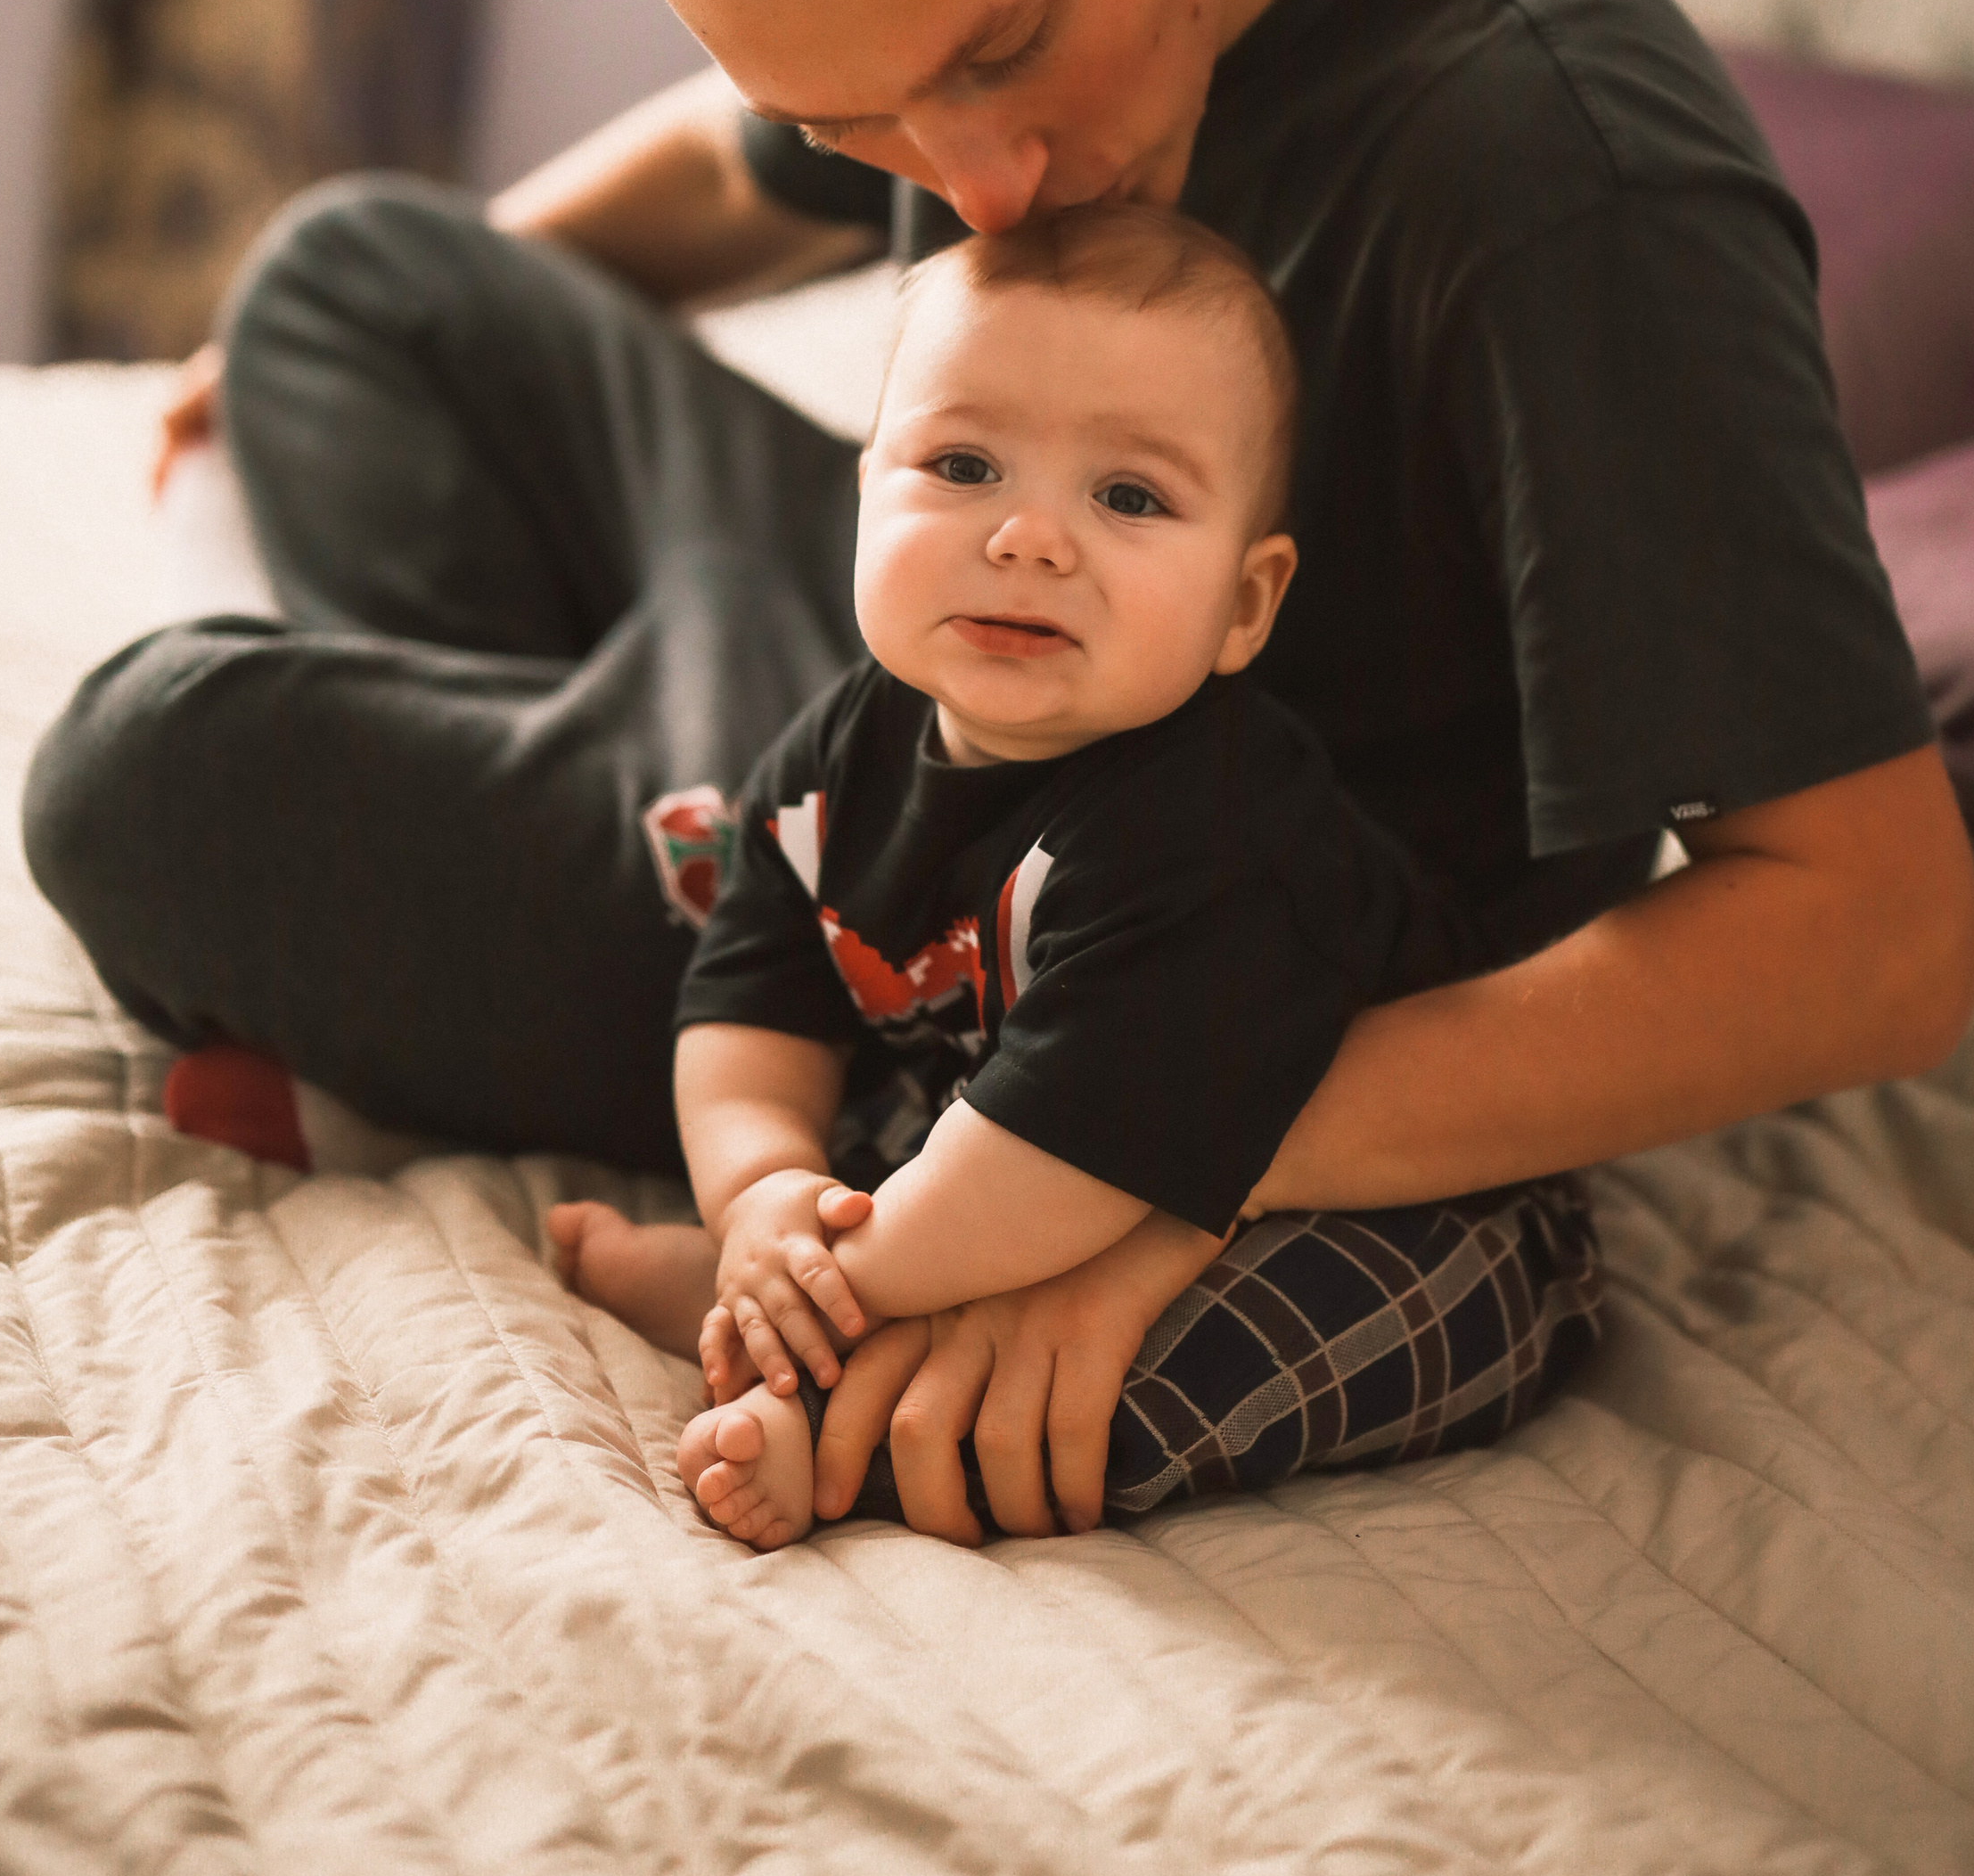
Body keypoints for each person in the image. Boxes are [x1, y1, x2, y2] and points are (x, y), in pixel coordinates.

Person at [23, 0, 1974, 1549]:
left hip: (1084, 915)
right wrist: (555, 250)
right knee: (350, 281)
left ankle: (640, 850)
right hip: (916, 639)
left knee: (147, 766)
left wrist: (1155, 1138)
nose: (973, 189)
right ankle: (653, 767)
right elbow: (731, 149)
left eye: (994, 57)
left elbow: (1874, 940)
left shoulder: (1561, 185)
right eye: (862, 125)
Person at [550, 204, 1596, 1549]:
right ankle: (749, 1291)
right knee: (898, 1137)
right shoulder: (842, 755)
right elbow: (750, 997)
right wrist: (760, 1198)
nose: (1031, 537)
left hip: (1401, 1194)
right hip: (1049, 1137)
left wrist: (821, 1292)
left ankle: (829, 1423)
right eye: (965, 463)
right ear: (866, 495)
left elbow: (1049, 1165)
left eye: (1129, 496)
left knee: (1160, 1368)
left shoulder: (1220, 831)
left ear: (1243, 607)